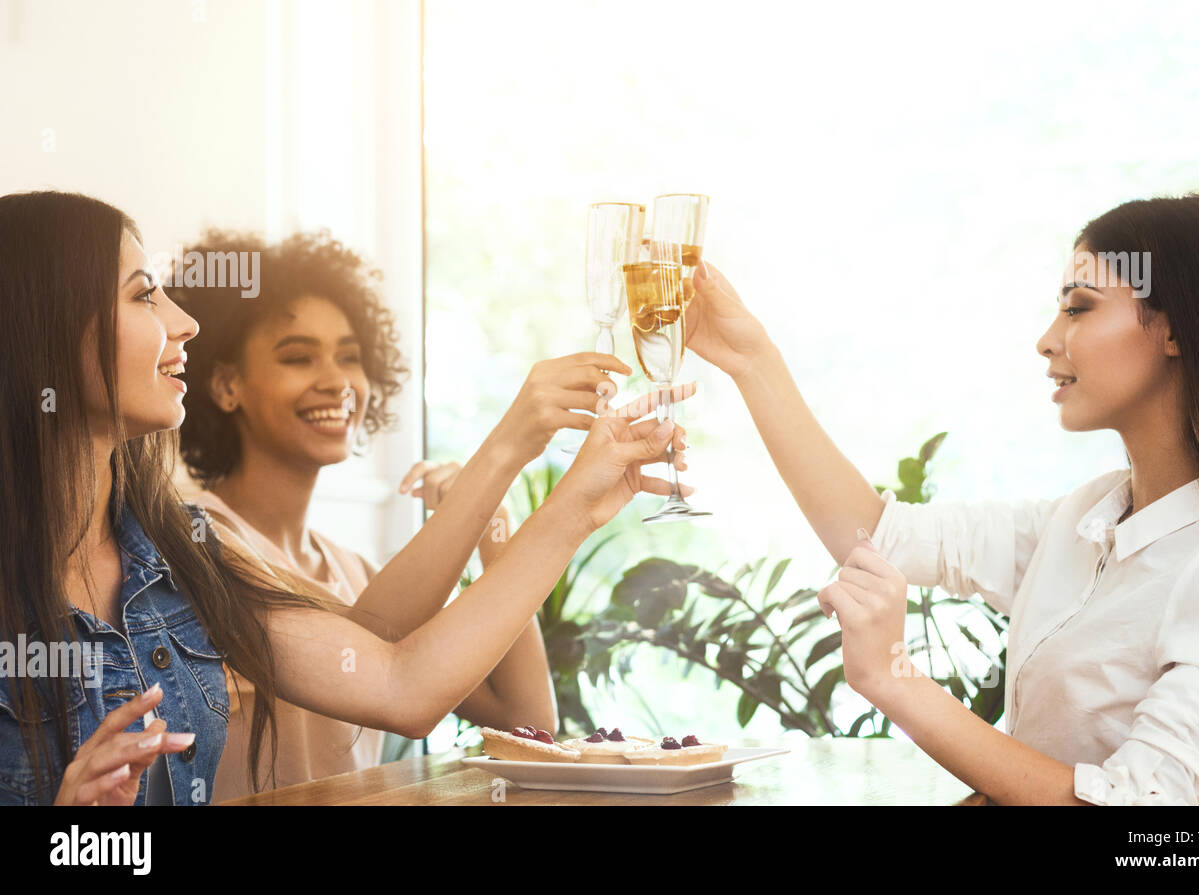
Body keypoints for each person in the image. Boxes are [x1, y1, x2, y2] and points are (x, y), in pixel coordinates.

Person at [0, 190, 689, 805]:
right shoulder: (202, 533)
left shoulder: (180, 553)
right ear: (51, 325)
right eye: (144, 294)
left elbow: (400, 680)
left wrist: (582, 503)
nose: (184, 323)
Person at [682, 192, 1199, 805]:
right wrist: (749, 360)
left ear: (1179, 330)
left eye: (1079, 308)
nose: (1047, 339)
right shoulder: (1084, 521)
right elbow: (875, 537)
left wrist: (895, 679)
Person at [170, 230, 680, 799]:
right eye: (297, 357)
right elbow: (380, 666)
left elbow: (524, 722)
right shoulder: (195, 542)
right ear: (224, 384)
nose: (337, 381)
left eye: (349, 357)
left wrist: (493, 523)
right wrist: (507, 448)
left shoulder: (353, 571)